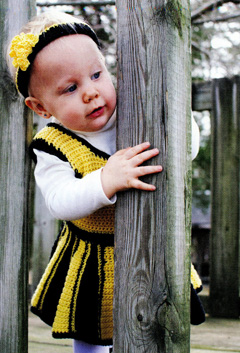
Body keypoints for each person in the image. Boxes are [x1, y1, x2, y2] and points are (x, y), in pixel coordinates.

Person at [8, 11, 204, 353]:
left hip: (149, 242)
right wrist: (105, 180)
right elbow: (59, 200)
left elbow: (184, 152)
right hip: (90, 258)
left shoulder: (135, 108)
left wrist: (177, 118)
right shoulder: (53, 143)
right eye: (70, 88)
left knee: (157, 321)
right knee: (89, 331)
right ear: (40, 107)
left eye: (96, 74)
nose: (90, 92)